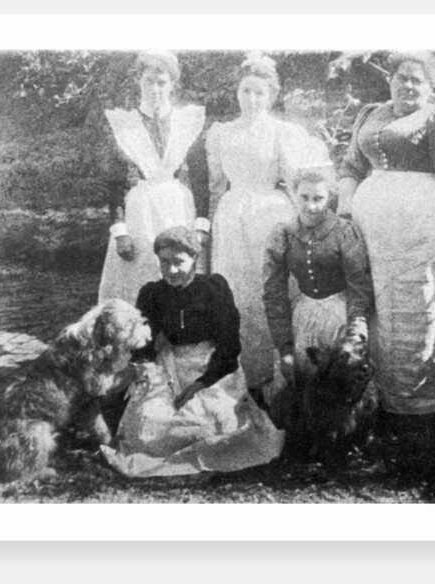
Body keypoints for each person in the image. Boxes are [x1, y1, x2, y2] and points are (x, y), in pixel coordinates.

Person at [335, 51, 435, 474]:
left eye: (418, 80)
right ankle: (374, 427)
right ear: (390, 80)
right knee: (374, 316)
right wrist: (345, 215)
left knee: (416, 320)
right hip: (371, 236)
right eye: (401, 77)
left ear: (431, 86)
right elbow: (350, 165)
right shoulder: (369, 114)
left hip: (420, 235)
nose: (408, 86)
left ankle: (417, 439)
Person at [100, 226, 284, 478]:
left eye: (178, 262)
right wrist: (148, 373)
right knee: (150, 426)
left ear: (195, 259)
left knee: (209, 424)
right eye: (165, 262)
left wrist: (200, 384)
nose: (171, 270)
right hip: (170, 365)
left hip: (214, 367)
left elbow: (229, 347)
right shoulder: (151, 293)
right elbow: (143, 345)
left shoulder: (214, 288)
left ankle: (211, 450)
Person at [206, 53, 331, 390]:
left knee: (271, 292)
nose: (252, 99)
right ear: (237, 92)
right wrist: (208, 228)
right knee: (234, 296)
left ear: (271, 96)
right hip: (231, 219)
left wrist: (308, 231)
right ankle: (240, 377)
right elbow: (216, 185)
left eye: (260, 93)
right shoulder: (221, 133)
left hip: (270, 217)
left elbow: (296, 184)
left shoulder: (283, 132)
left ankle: (278, 378)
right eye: (246, 91)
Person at [261, 168, 373, 426]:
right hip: (304, 315)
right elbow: (274, 294)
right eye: (304, 197)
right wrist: (285, 347)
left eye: (318, 198)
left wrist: (355, 335)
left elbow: (359, 287)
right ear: (293, 196)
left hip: (340, 314)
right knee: (298, 376)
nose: (311, 207)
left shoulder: (345, 232)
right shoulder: (283, 234)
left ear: (330, 198)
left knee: (342, 380)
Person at [98, 50, 210, 305]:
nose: (155, 89)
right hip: (141, 210)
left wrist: (201, 225)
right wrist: (120, 231)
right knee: (144, 274)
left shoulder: (187, 121)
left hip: (179, 207)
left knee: (183, 271)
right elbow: (115, 183)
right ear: (138, 81)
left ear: (172, 84)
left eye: (162, 82)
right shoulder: (124, 124)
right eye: (149, 81)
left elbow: (200, 177)